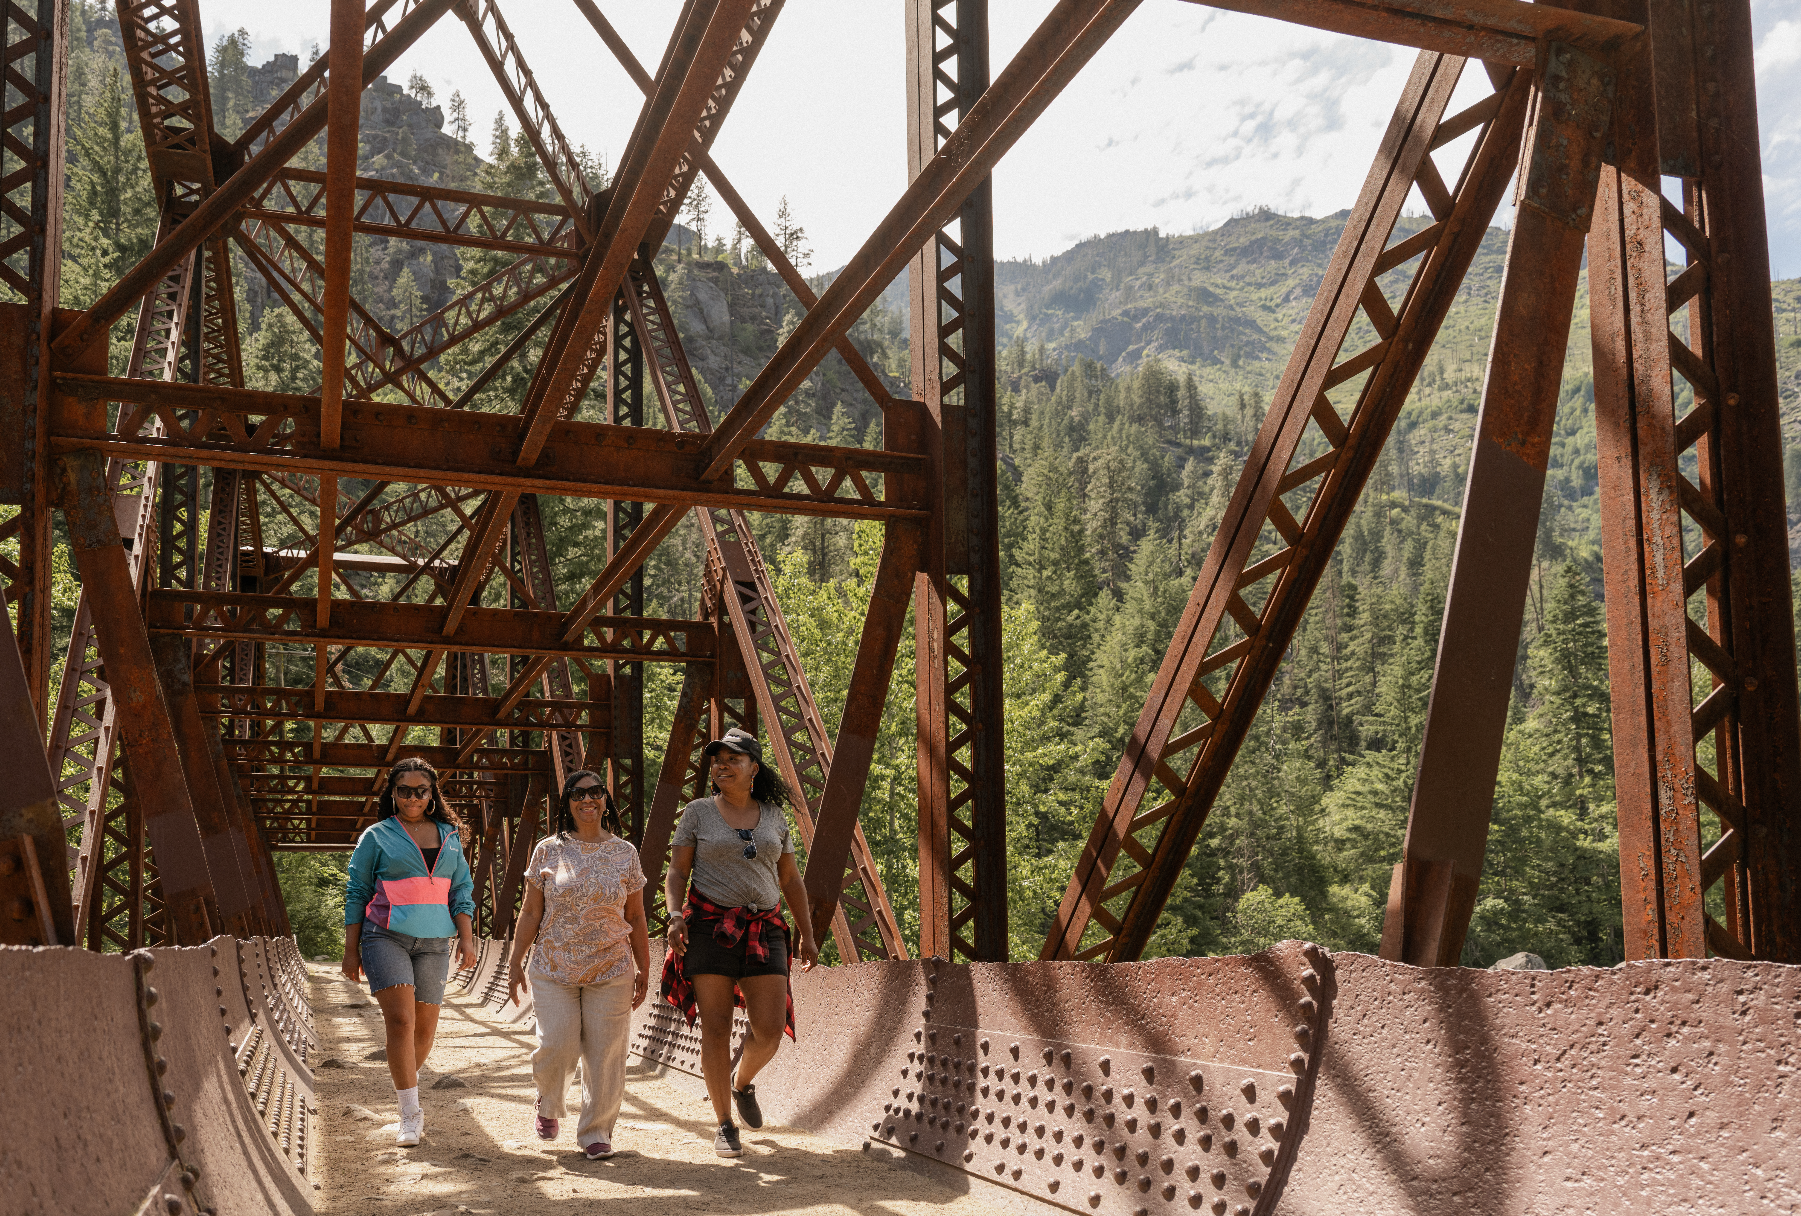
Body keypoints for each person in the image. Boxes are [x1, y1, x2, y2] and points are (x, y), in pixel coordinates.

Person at [661, 728, 819, 1159]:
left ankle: (742, 1082)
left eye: (732, 759)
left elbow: (790, 879)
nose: (721, 765)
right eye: (716, 760)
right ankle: (724, 1123)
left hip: (765, 927)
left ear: (754, 768)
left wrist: (806, 932)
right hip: (710, 925)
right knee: (715, 1027)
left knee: (768, 1031)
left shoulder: (773, 817)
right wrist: (675, 914)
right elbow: (676, 873)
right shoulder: (697, 813)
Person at [507, 770, 651, 1160]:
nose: (587, 800)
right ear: (566, 803)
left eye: (595, 792)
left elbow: (636, 917)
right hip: (554, 967)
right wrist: (516, 961)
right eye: (577, 794)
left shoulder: (625, 852)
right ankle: (549, 1104)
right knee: (558, 1044)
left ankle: (596, 1131)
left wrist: (644, 968)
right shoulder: (548, 849)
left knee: (607, 1054)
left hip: (611, 967)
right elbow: (531, 911)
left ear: (605, 799)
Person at [342, 757, 476, 1147]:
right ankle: (410, 1115)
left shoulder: (450, 836)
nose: (413, 797)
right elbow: (356, 893)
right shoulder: (377, 836)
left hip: (435, 942)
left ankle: (405, 1089)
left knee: (424, 1030)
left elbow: (461, 891)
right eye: (404, 790)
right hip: (384, 936)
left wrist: (465, 938)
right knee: (400, 1023)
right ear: (393, 794)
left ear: (432, 794)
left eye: (421, 790)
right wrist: (351, 951)